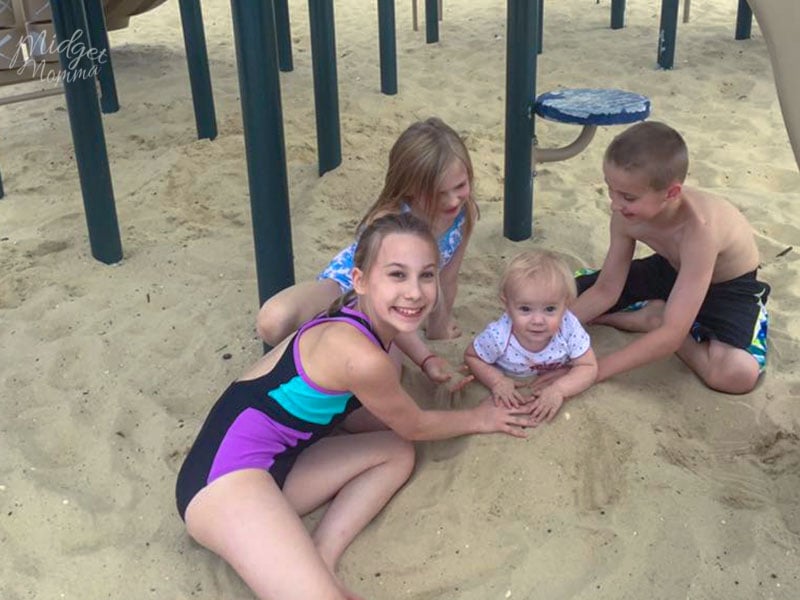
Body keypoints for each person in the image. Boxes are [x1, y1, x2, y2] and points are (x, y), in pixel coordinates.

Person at [176, 213, 536, 600]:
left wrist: (429, 362)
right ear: (360, 280)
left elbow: (385, 426)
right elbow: (414, 425)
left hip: (281, 466)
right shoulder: (361, 357)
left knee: (394, 452)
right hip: (223, 481)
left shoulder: (358, 316)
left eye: (426, 275)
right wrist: (479, 419)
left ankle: (322, 555)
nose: (415, 292)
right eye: (397, 275)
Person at [256, 117, 480, 386]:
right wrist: (423, 354)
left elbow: (448, 277)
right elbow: (373, 295)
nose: (453, 200)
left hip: (390, 311)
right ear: (409, 187)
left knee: (382, 377)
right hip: (347, 288)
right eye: (439, 193)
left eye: (460, 186)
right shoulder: (389, 219)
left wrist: (439, 327)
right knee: (274, 320)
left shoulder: (463, 216)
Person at [570, 121, 770, 394]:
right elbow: (606, 289)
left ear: (671, 193)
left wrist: (594, 371)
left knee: (735, 374)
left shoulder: (699, 230)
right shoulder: (625, 213)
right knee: (562, 294)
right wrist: (552, 329)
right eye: (610, 188)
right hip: (669, 269)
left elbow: (672, 336)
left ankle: (656, 317)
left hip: (727, 288)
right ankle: (655, 312)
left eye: (628, 196)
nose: (615, 204)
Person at [464, 250, 598, 423]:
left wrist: (559, 390)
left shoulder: (568, 327)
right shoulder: (499, 336)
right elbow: (471, 356)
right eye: (525, 309)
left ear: (566, 305)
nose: (537, 320)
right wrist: (497, 381)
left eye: (550, 309)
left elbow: (588, 366)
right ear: (507, 305)